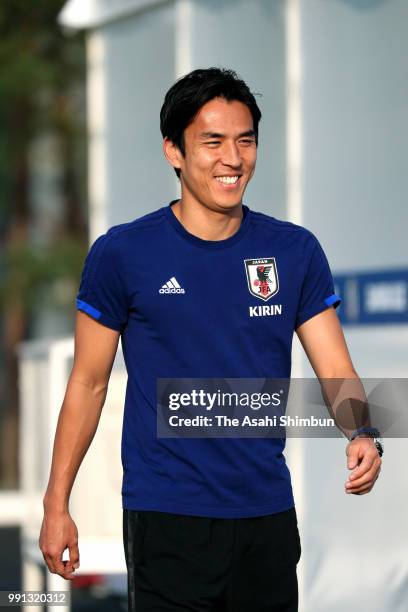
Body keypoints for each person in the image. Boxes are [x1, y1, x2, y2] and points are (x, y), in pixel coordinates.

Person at [39, 67, 382, 611]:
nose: (233, 158)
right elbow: (87, 384)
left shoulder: (294, 251)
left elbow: (333, 363)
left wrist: (362, 432)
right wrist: (56, 504)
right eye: (213, 142)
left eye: (246, 141)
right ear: (173, 151)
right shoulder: (123, 254)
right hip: (167, 516)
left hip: (265, 516)